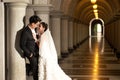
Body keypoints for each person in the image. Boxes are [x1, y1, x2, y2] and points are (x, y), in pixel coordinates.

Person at [20, 15, 41, 80]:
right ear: (32, 23)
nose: (38, 26)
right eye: (37, 24)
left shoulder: (34, 29)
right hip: (31, 53)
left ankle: (28, 68)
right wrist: (30, 54)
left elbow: (34, 40)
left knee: (38, 67)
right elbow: (22, 44)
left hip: (37, 52)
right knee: (35, 69)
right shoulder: (26, 31)